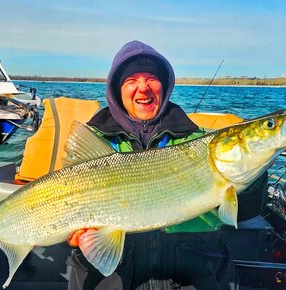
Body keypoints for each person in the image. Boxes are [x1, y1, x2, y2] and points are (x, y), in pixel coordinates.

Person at [66, 40, 237, 290]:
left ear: (165, 86)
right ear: (116, 89)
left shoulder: (198, 142)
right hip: (115, 280)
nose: (143, 88)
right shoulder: (94, 143)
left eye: (151, 78)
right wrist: (73, 235)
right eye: (131, 80)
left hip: (190, 277)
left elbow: (246, 209)